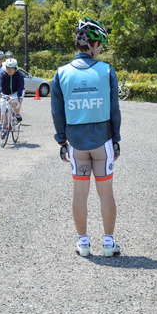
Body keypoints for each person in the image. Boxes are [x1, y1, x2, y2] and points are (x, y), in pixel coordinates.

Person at [51, 18, 121, 257]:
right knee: (106, 192)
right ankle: (109, 244)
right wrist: (117, 140)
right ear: (95, 44)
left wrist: (62, 142)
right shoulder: (107, 70)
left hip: (76, 143)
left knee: (79, 193)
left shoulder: (61, 73)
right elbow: (114, 111)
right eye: (101, 44)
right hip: (103, 141)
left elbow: (57, 113)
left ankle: (83, 244)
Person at [0, 57, 25, 139]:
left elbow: (20, 86)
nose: (9, 70)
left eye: (11, 68)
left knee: (15, 102)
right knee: (3, 111)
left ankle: (17, 114)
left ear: (15, 68)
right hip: (5, 92)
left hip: (16, 91)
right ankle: (4, 128)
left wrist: (19, 96)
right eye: (8, 67)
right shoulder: (3, 73)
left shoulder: (19, 74)